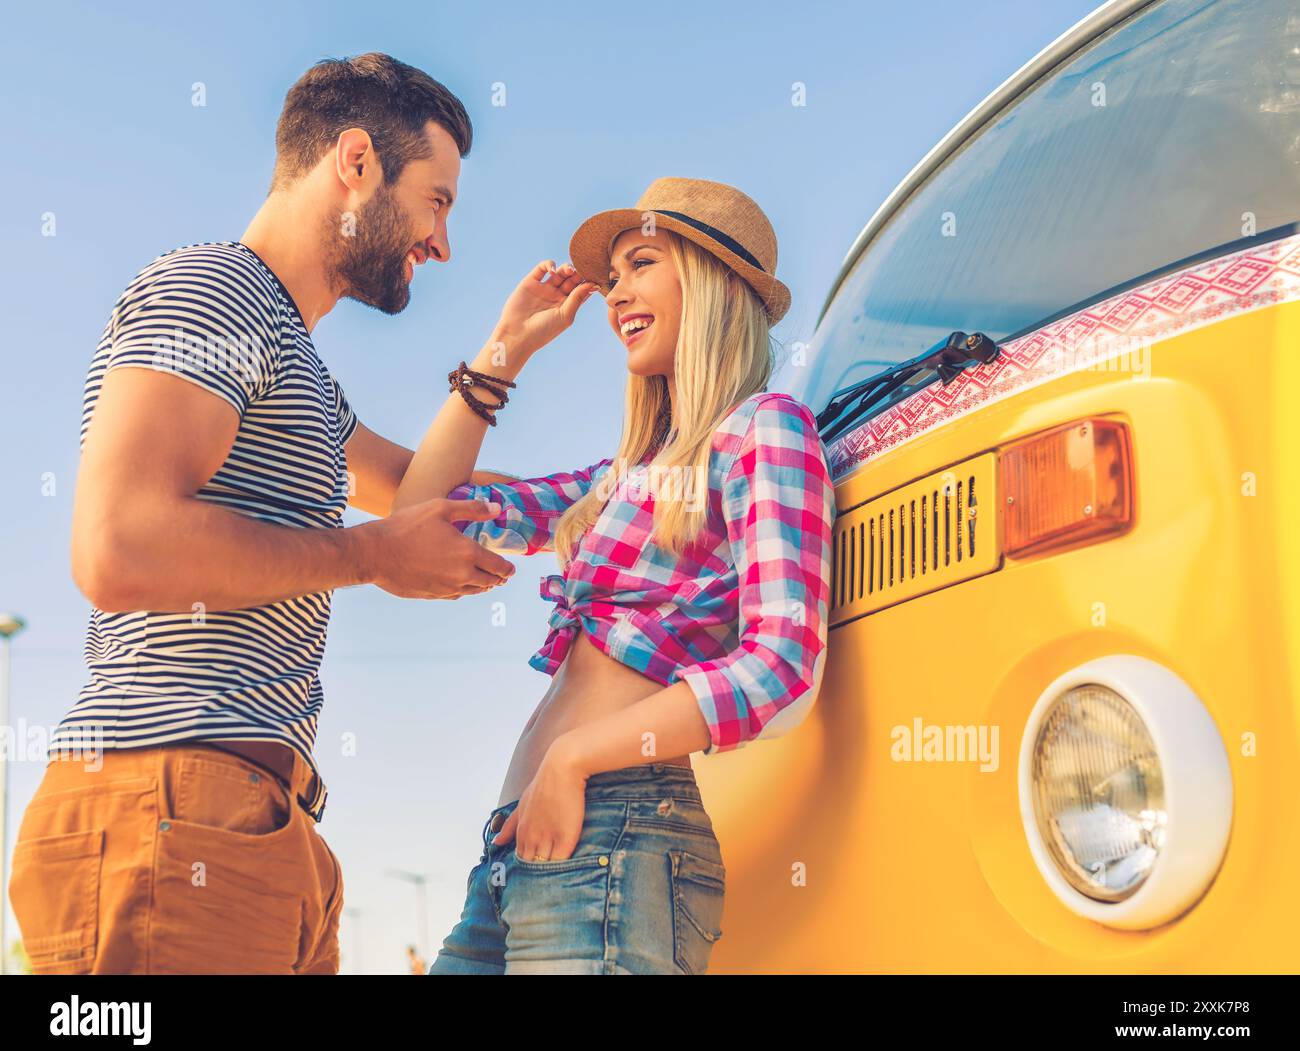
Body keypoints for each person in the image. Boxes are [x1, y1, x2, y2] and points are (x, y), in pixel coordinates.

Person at [6, 53, 518, 975]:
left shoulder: (303, 368)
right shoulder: (216, 290)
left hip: (253, 829)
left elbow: (417, 499)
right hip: (168, 806)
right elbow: (118, 543)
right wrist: (369, 557)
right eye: (437, 201)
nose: (443, 243)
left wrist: (516, 388)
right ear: (355, 161)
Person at [410, 178, 838, 975]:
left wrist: (573, 757)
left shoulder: (763, 432)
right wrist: (506, 347)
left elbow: (783, 664)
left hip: (616, 838)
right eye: (612, 279)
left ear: (713, 281)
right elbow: (424, 514)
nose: (615, 296)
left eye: (640, 264)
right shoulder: (617, 483)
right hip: (515, 845)